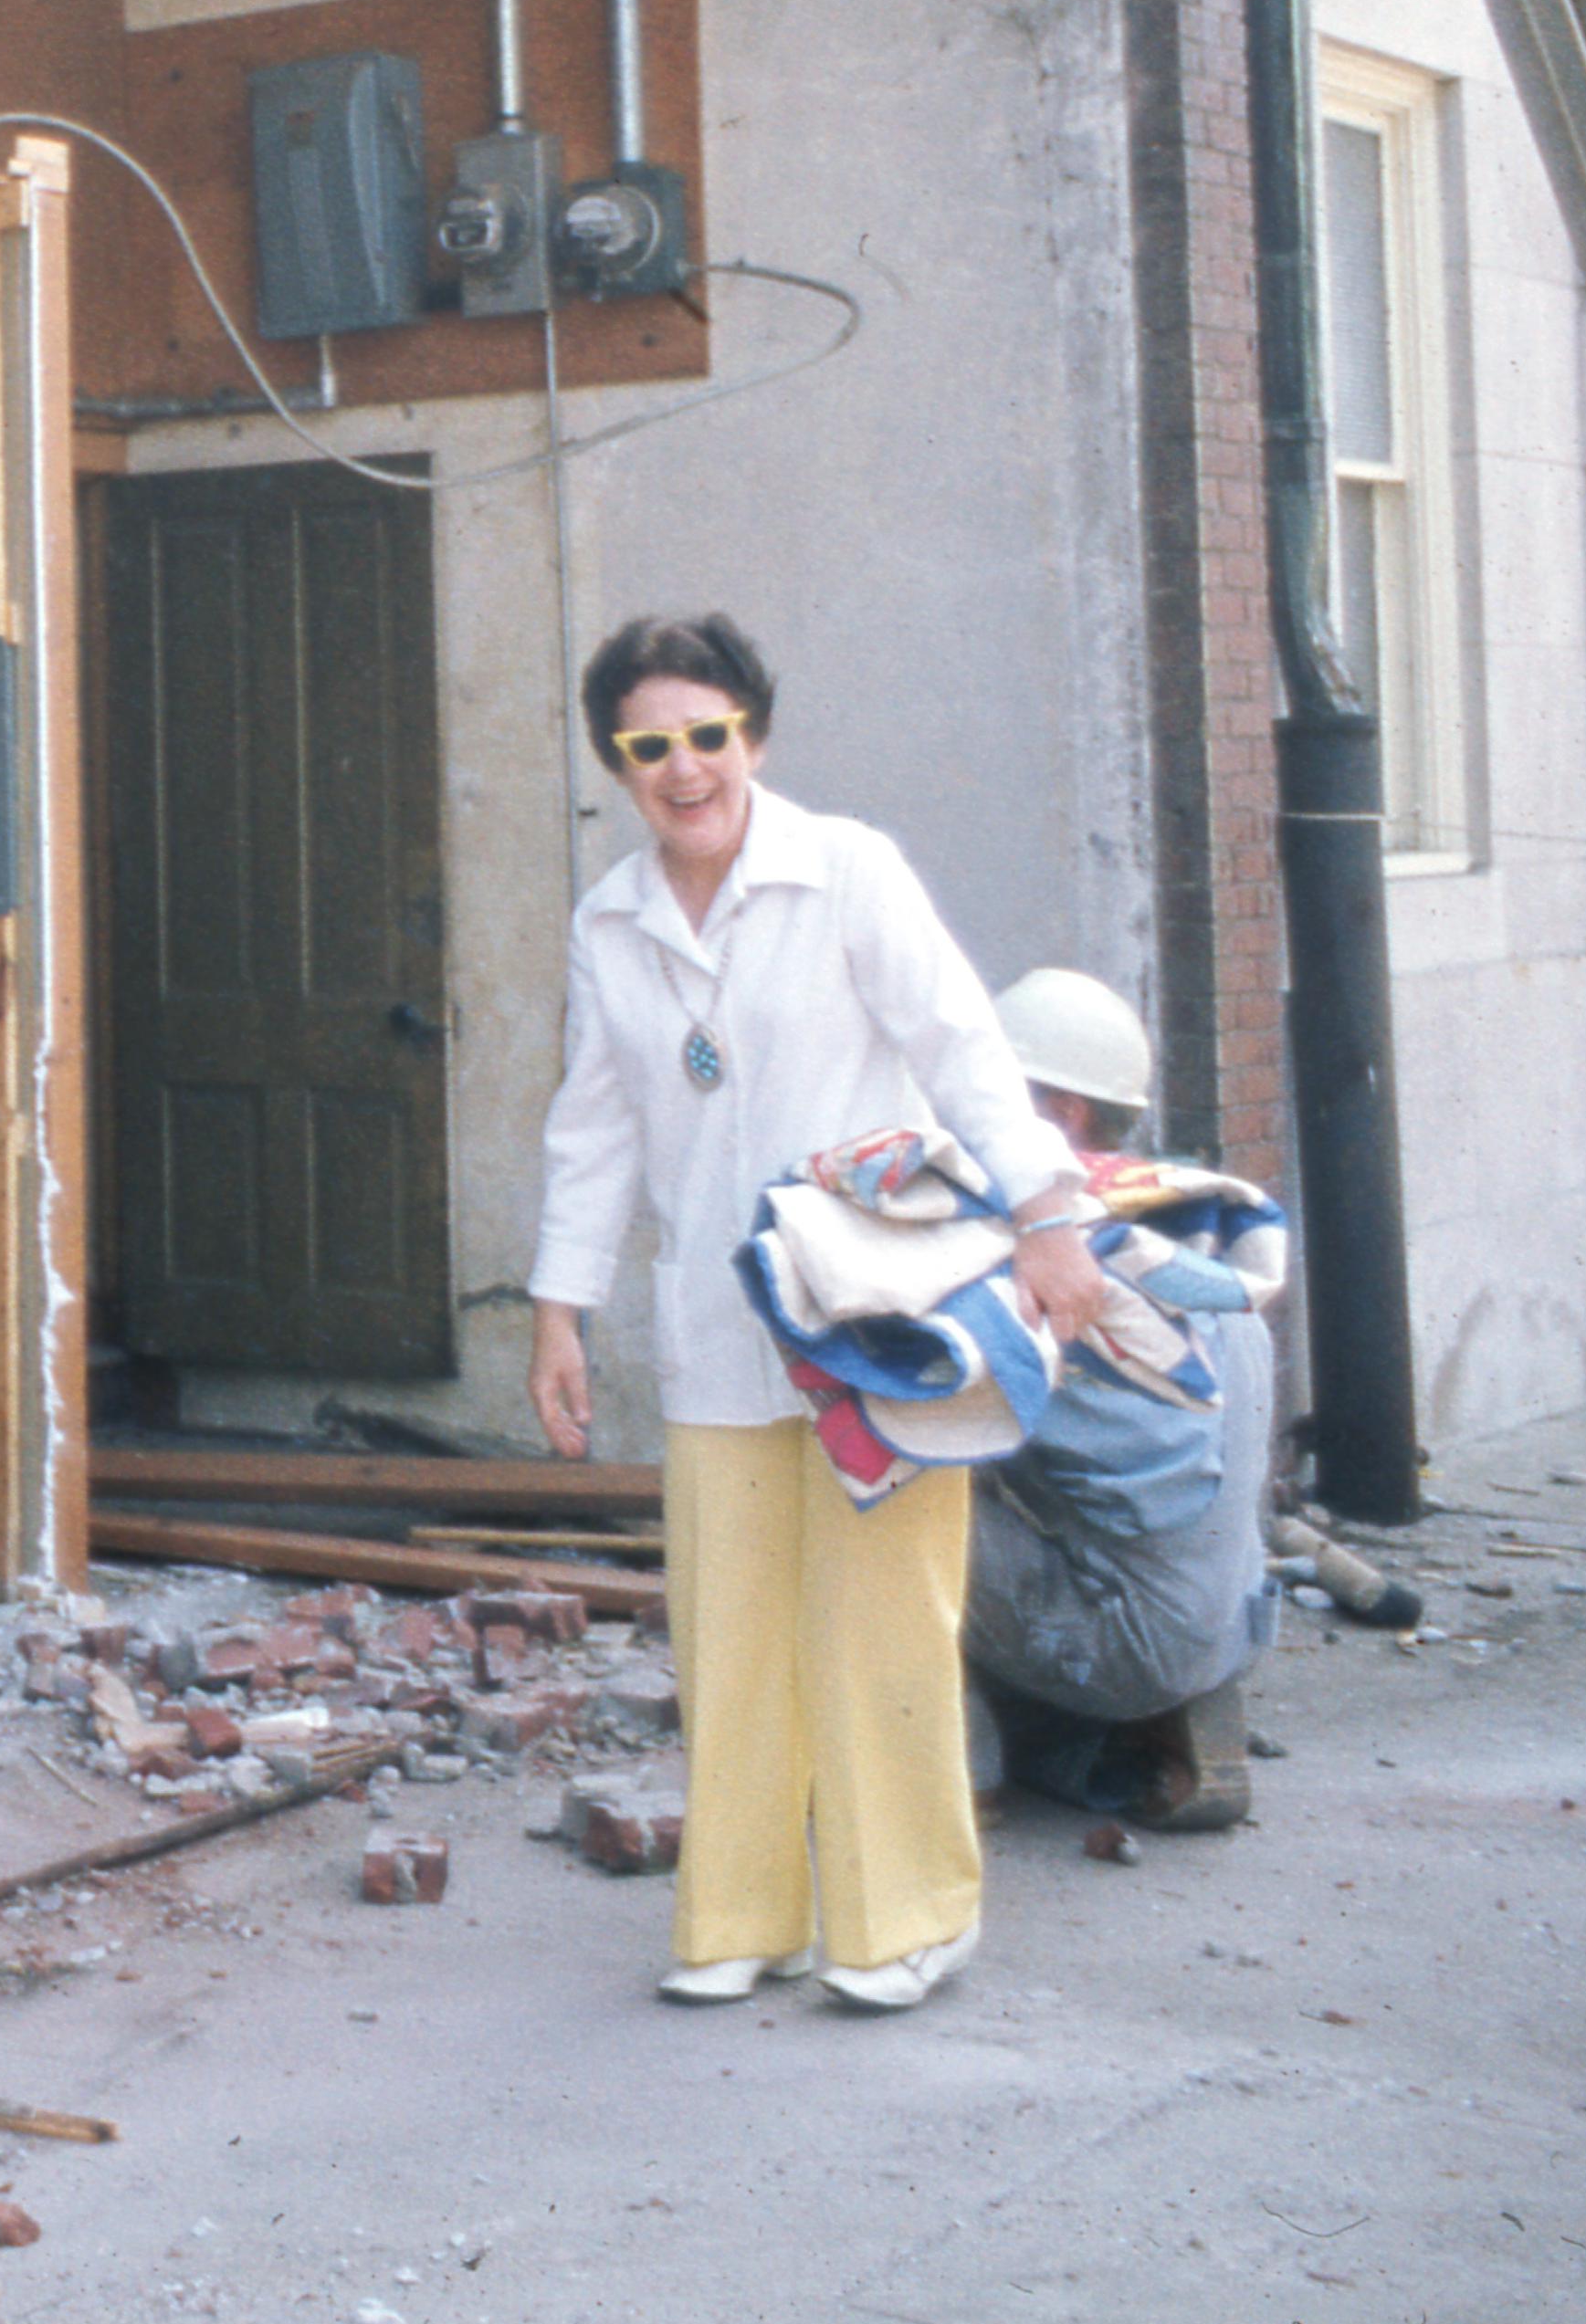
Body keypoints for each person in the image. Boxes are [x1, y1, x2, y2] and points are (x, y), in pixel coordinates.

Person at [525, 613, 1114, 2014]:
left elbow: (964, 1048)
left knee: (882, 1627)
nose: (684, 768)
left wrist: (1049, 1216)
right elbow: (594, 1125)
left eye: (707, 734)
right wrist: (560, 1309)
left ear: (755, 735)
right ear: (618, 761)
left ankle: (908, 1917)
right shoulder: (610, 921)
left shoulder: (849, 870)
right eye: (650, 745)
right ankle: (743, 1913)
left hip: (877, 1325)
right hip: (718, 1329)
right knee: (727, 1632)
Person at [961, 968, 1284, 1832]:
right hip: (1231, 1621)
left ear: (1062, 1114)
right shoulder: (1185, 1235)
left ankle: (964, 1771)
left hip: (1131, 1639)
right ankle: (1154, 1714)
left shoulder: (1065, 1268)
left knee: (886, 1481)